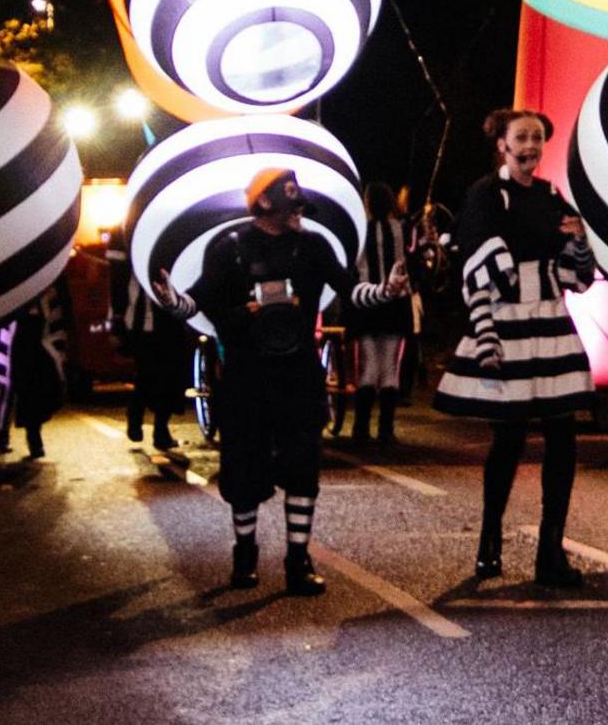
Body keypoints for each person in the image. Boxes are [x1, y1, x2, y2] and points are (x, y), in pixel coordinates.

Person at [158, 168, 406, 597]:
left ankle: (298, 560)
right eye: (293, 207)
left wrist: (386, 290)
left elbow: (351, 290)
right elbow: (197, 301)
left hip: (297, 373)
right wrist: (171, 300)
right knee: (241, 470)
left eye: (302, 208)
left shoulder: (313, 246)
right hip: (245, 376)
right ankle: (245, 554)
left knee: (303, 467)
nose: (300, 215)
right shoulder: (228, 248)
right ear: (265, 203)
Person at [434, 109, 599, 586]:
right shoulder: (486, 194)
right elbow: (475, 260)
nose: (530, 144)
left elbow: (577, 268)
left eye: (537, 137)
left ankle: (552, 551)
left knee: (563, 439)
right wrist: (485, 330)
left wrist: (580, 242)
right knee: (507, 440)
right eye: (521, 137)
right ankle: (489, 543)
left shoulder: (550, 196)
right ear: (502, 145)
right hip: (507, 320)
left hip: (549, 318)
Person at [343, 183, 419, 446]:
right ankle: (386, 430)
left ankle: (361, 428)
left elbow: (351, 266)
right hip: (396, 304)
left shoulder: (359, 231)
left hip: (366, 302)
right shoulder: (403, 229)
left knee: (368, 368)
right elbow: (417, 254)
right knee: (390, 370)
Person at [107, 232, 186, 450]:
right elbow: (117, 280)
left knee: (171, 374)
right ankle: (137, 413)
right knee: (148, 372)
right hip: (141, 317)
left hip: (171, 314)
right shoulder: (122, 233)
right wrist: (117, 319)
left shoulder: (169, 226)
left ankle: (160, 428)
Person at [10, 285, 68, 459]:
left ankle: (34, 434)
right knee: (26, 394)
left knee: (43, 393)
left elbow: (56, 320)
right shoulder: (15, 291)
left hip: (42, 348)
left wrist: (58, 350)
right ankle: (33, 438)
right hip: (21, 348)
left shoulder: (48, 291)